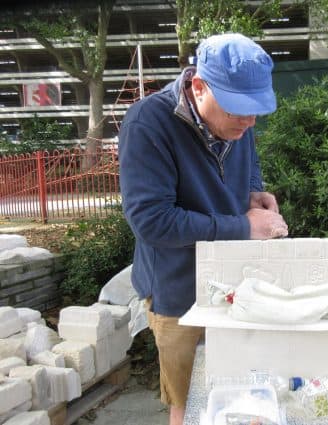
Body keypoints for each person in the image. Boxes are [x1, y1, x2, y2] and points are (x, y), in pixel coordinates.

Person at [118, 33, 288, 425]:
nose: (249, 121)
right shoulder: (148, 123)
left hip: (234, 284)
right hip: (178, 293)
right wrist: (242, 227)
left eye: (256, 110)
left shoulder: (238, 121)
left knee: (240, 391)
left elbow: (248, 160)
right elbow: (151, 221)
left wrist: (253, 194)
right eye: (238, 110)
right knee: (187, 402)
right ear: (198, 86)